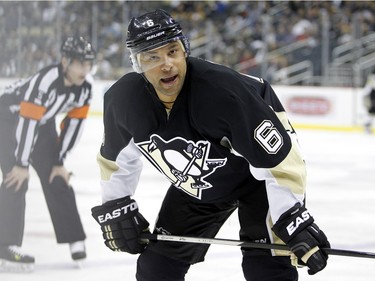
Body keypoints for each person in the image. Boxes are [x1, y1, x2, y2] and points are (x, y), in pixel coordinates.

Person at [91, 9, 330, 281]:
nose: (166, 64)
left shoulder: (222, 92)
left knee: (266, 270)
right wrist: (116, 205)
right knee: (156, 269)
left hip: (260, 180)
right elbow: (114, 160)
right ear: (137, 63)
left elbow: (279, 160)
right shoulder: (123, 101)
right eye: (152, 57)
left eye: (172, 51)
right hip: (200, 181)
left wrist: (291, 217)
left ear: (185, 50)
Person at [0, 36, 96, 272]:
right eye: (79, 63)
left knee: (57, 176)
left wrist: (58, 160)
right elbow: (26, 123)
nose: (85, 69)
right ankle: (5, 245)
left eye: (88, 63)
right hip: (8, 120)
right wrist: (21, 163)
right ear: (65, 61)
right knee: (16, 177)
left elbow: (73, 126)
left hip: (41, 123)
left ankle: (74, 237)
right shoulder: (45, 82)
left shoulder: (86, 88)